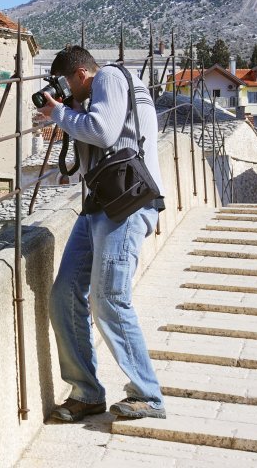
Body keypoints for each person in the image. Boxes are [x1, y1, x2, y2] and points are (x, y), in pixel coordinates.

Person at [37, 45, 166, 421]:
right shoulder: (100, 94)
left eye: (63, 83)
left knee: (110, 298)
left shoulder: (108, 76)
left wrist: (59, 113)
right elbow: (101, 137)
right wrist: (69, 114)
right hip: (101, 205)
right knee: (64, 294)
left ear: (79, 74)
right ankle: (87, 393)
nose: (62, 90)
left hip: (126, 205)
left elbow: (105, 132)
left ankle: (148, 395)